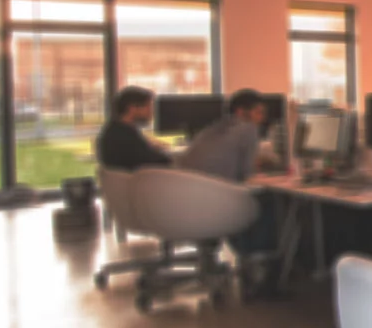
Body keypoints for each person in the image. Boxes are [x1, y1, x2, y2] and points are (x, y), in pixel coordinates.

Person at [178, 89, 282, 297]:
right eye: (258, 112)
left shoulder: (211, 129)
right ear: (241, 112)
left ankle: (250, 260)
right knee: (270, 200)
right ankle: (261, 269)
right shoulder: (248, 129)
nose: (262, 119)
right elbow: (247, 175)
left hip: (189, 204)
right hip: (218, 204)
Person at [96, 86, 171, 171]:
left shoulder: (113, 130)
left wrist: (149, 145)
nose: (151, 112)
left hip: (123, 178)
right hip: (141, 178)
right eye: (148, 107)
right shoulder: (126, 136)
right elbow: (160, 161)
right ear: (132, 108)